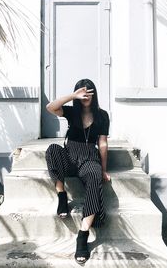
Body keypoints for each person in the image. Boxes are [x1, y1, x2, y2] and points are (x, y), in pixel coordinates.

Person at [45, 78, 110, 265]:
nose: (86, 95)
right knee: (52, 150)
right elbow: (50, 107)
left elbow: (103, 143)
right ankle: (62, 196)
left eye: (90, 91)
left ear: (94, 93)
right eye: (83, 92)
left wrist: (103, 170)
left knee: (94, 175)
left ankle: (82, 235)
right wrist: (72, 96)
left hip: (89, 157)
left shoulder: (102, 115)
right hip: (70, 154)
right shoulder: (72, 111)